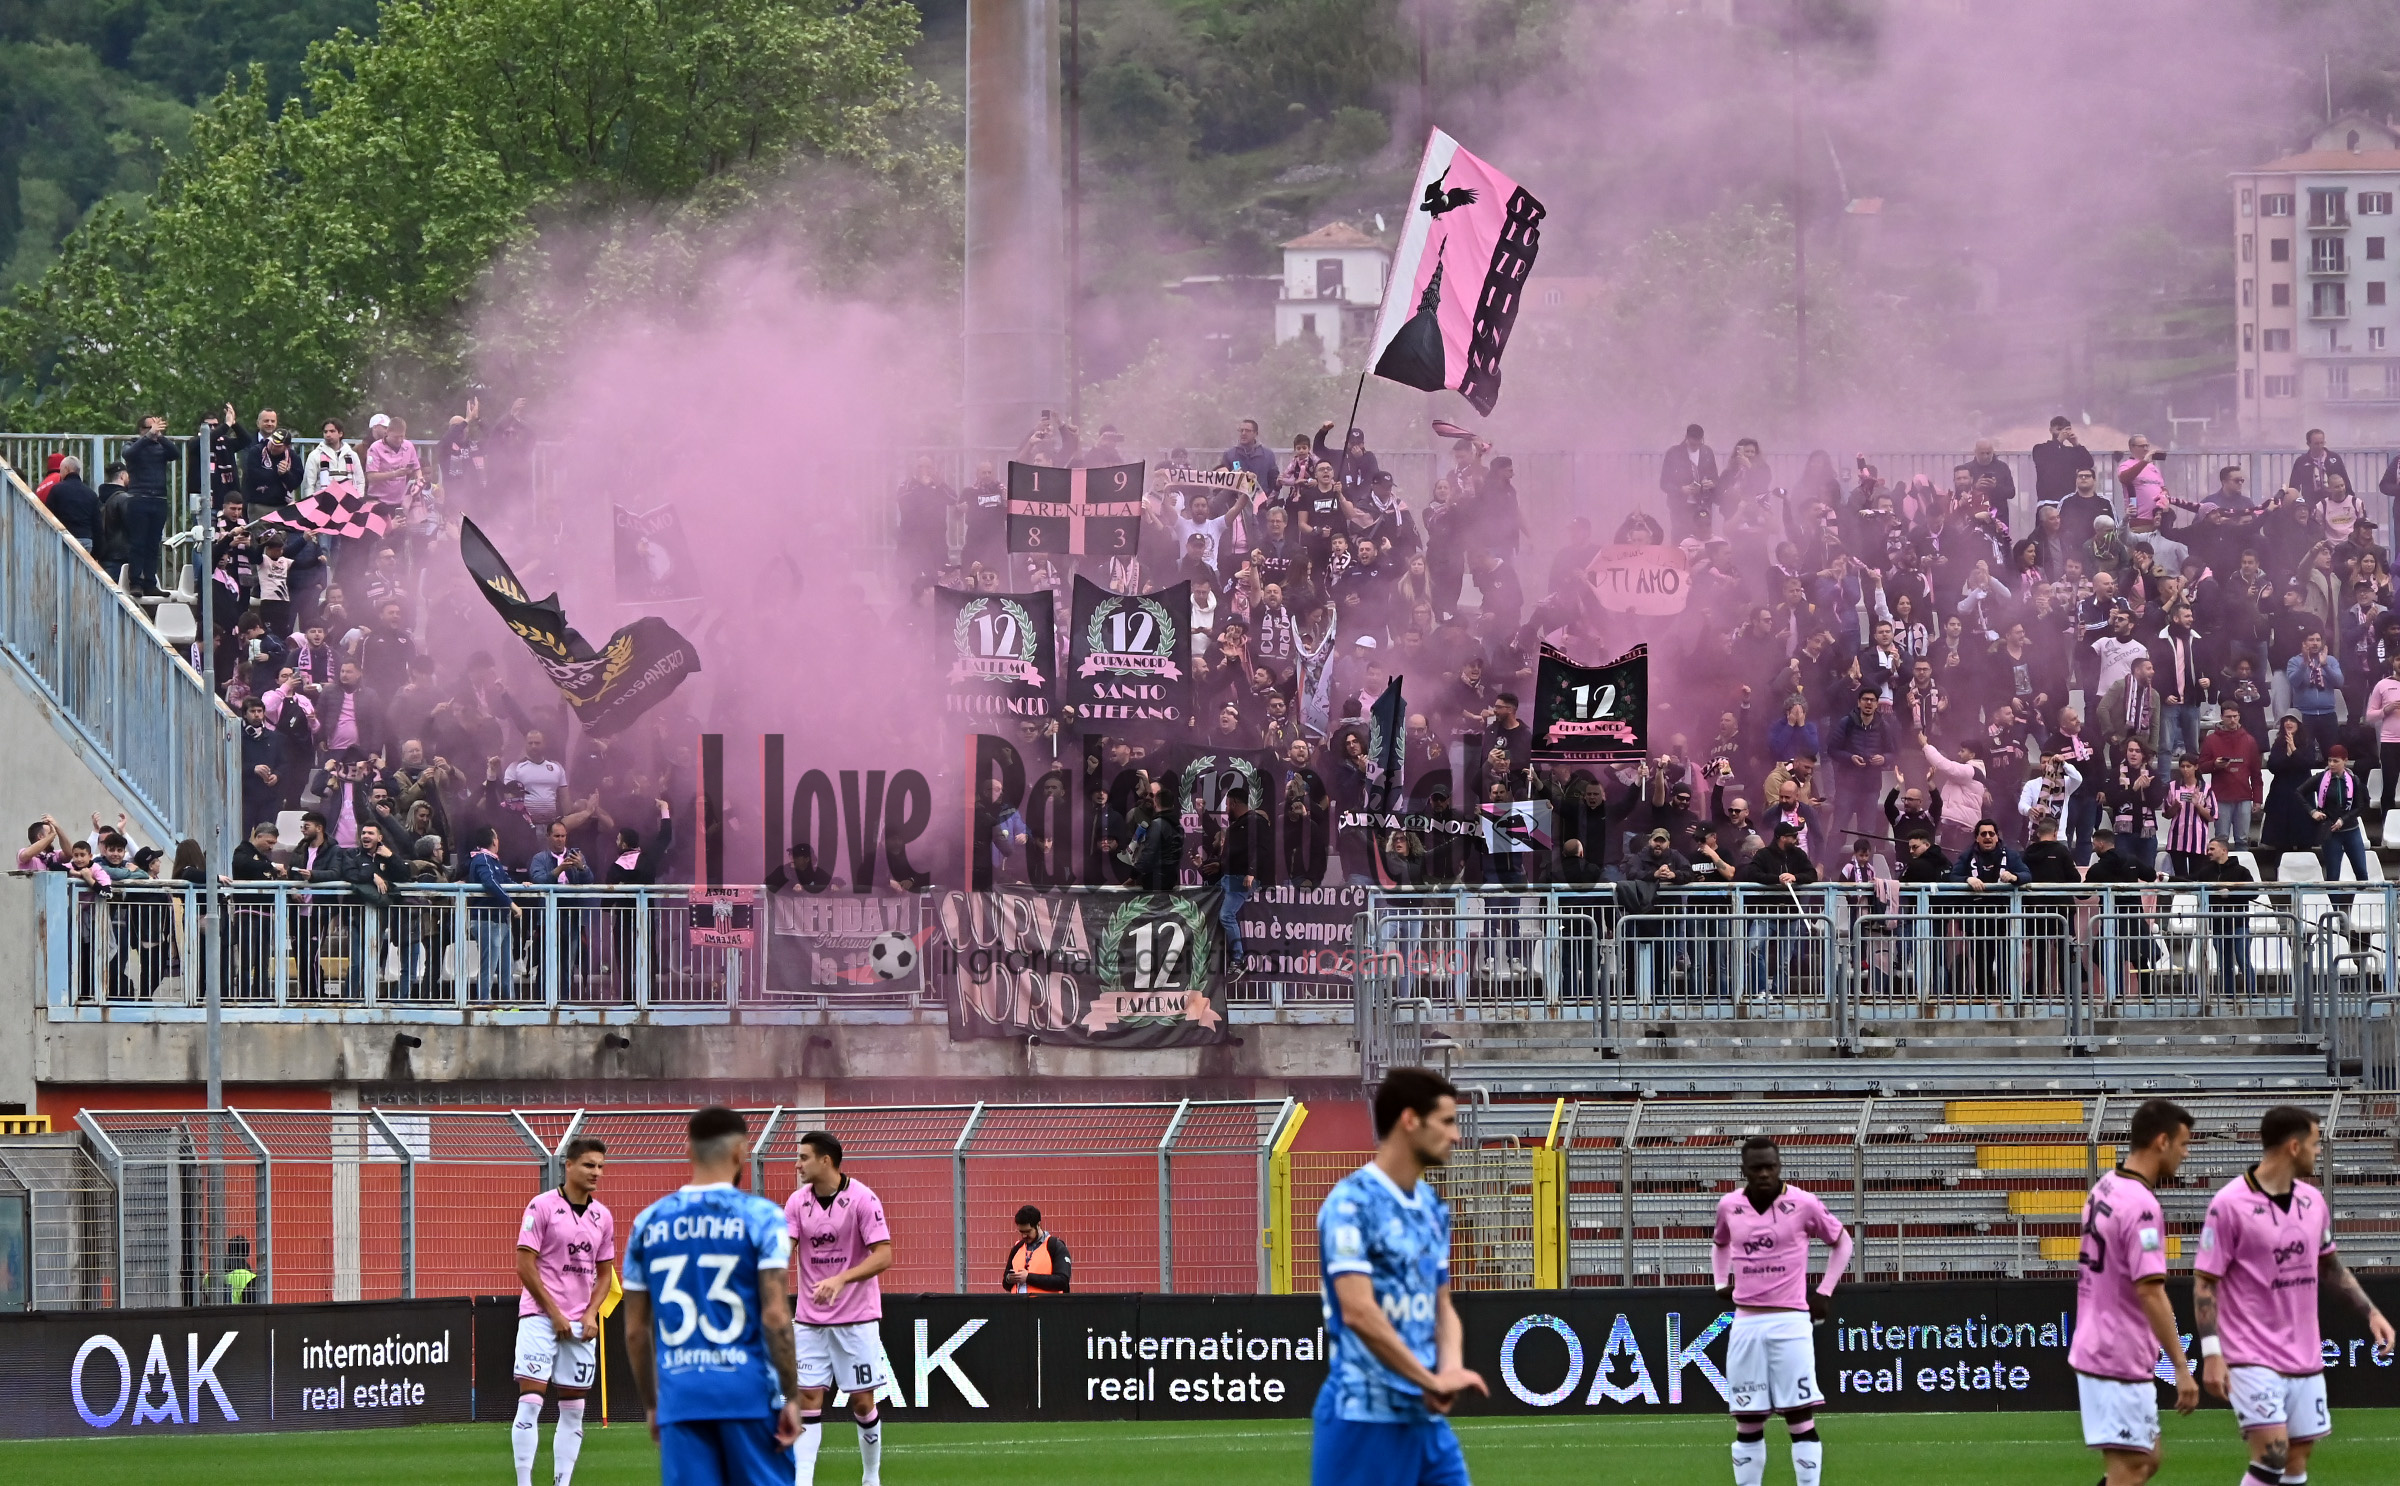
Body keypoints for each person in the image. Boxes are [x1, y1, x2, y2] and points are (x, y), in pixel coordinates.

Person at [2194, 1106, 2394, 1486]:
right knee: (2273, 1455)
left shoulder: (2312, 1201)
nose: (2319, 1151)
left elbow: (2331, 1266)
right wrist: (2212, 1352)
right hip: (2250, 1353)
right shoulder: (2229, 1205)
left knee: (2297, 1460)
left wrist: (2371, 1312)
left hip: (2304, 1353)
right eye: (2315, 1143)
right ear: (2293, 1145)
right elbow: (2205, 1282)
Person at [1313, 1068, 1487, 1486]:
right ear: (1410, 1120)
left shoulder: (1432, 1207)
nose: (1456, 1135)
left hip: (1424, 1420)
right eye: (1446, 1121)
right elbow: (1357, 1311)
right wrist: (1429, 1379)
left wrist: (1448, 1370)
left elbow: (1442, 1305)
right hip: (1365, 1418)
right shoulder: (1351, 1204)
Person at [620, 1107, 800, 1486]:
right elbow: (774, 1315)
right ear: (740, 1153)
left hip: (681, 1398)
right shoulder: (763, 1217)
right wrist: (790, 1397)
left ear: (689, 1151)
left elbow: (636, 1331)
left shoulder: (647, 1223)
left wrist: (653, 1404)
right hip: (749, 1394)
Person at [2069, 1097, 2199, 1483]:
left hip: (2101, 1342)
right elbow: (2150, 1292)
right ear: (2162, 1141)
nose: (2185, 1154)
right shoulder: (2142, 1206)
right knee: (2133, 1467)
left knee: (2148, 1458)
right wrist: (2180, 1366)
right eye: (2184, 1144)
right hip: (2116, 1351)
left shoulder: (2106, 1186)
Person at [1714, 1135, 1851, 1486]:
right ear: (1743, 1169)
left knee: (1799, 1415)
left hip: (1790, 1320)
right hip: (1746, 1321)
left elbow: (1842, 1242)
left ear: (1779, 1166)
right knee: (1747, 1418)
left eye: (1770, 1166)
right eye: (1756, 1167)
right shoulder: (1729, 1205)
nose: (1764, 1173)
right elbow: (1720, 1244)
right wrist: (1720, 1282)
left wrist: (1824, 1291)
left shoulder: (1803, 1203)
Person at [782, 1130, 893, 1486]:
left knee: (862, 1402)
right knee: (807, 1400)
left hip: (856, 1319)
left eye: (803, 1158)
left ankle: (871, 1477)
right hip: (810, 1319)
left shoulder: (863, 1199)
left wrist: (841, 1279)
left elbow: (884, 1255)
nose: (797, 1164)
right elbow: (785, 1248)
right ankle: (803, 1481)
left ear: (825, 1161)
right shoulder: (797, 1202)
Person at [512, 1136, 615, 1486]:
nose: (596, 1172)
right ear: (567, 1166)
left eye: (600, 1166)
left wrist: (591, 1313)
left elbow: (605, 1275)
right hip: (540, 1319)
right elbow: (524, 1265)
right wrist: (554, 1313)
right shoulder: (540, 1206)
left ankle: (562, 1483)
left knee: (574, 1410)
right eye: (589, 1165)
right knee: (530, 1402)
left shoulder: (603, 1216)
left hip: (581, 1325)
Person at [1002, 1204, 1072, 1294]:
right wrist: (1009, 1279)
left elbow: (1062, 1281)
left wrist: (1028, 1278)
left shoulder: (1055, 1246)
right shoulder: (1017, 1248)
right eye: (1021, 1232)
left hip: (1047, 1306)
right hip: (1019, 1305)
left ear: (1038, 1225)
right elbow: (1005, 1283)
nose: (1024, 1236)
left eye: (1028, 1231)